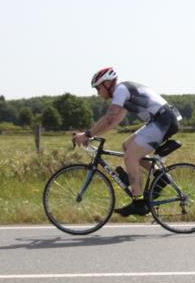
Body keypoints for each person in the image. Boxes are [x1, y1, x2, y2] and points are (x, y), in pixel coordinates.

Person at [72, 67, 182, 216]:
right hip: (160, 120)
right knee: (127, 146)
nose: (97, 93)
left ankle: (138, 202)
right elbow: (112, 123)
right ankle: (161, 178)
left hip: (163, 121)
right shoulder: (123, 93)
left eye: (98, 88)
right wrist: (91, 136)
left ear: (107, 84)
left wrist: (86, 134)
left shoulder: (121, 90)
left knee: (131, 156)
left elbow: (109, 118)